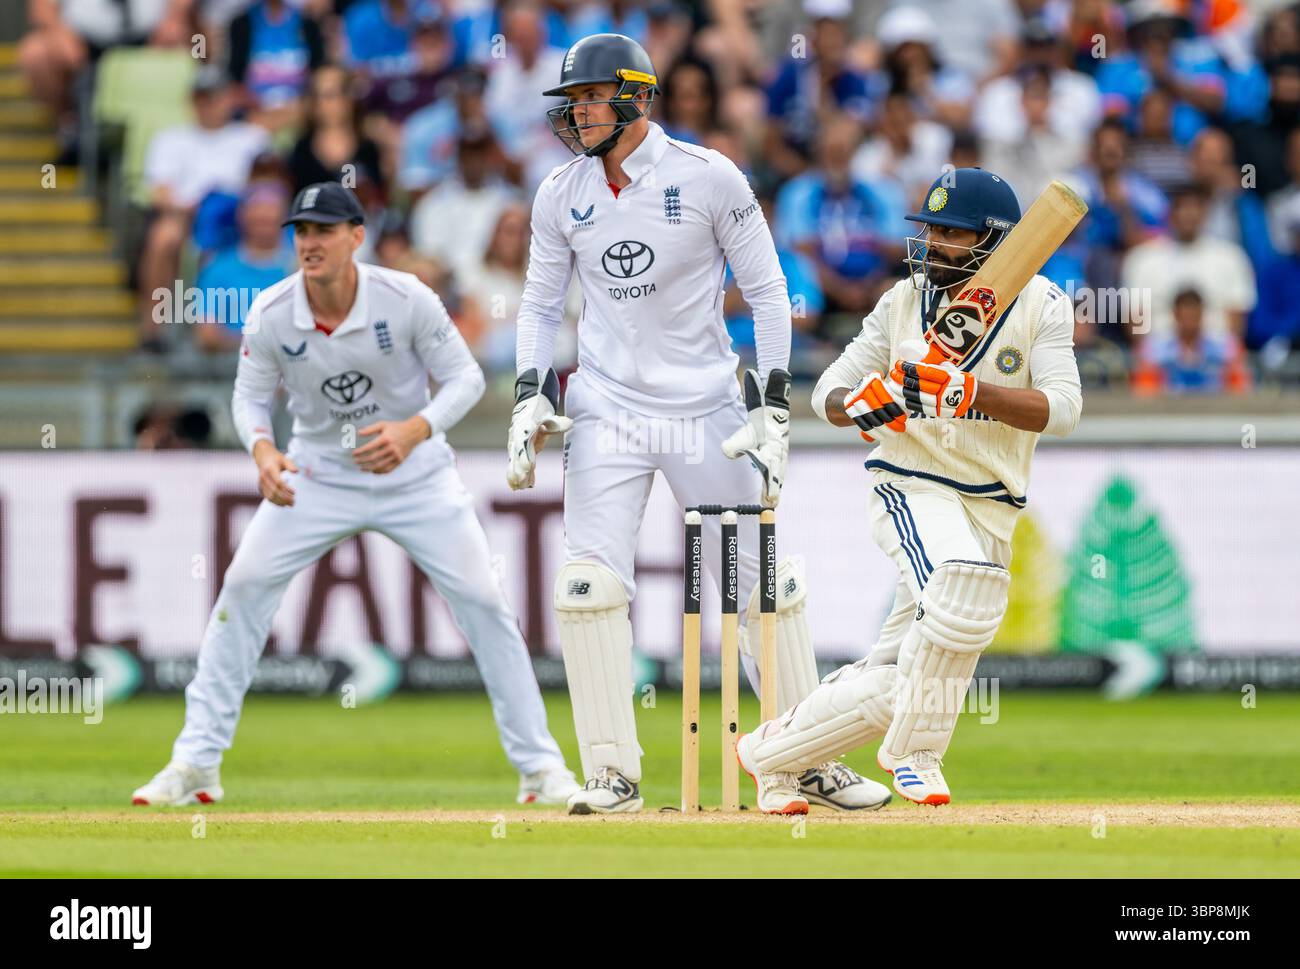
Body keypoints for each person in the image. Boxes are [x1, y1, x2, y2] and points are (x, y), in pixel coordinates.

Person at [508, 33, 890, 815]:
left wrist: (774, 403)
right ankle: (612, 775)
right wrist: (527, 393)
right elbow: (541, 303)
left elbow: (770, 290)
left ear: (636, 97)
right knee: (587, 587)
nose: (576, 113)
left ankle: (807, 759)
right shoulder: (560, 192)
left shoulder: (710, 177)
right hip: (606, 408)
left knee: (765, 589)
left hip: (706, 407)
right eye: (570, 101)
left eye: (589, 98)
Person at [131, 182, 580, 809]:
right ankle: (195, 763)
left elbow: (466, 378)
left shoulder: (405, 299)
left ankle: (540, 769)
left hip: (415, 475)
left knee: (484, 601)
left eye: (323, 230)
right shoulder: (271, 313)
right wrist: (262, 450)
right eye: (302, 232)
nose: (310, 243)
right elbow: (249, 397)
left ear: (356, 236)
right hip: (318, 475)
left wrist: (414, 429)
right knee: (242, 588)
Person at [736, 168, 1082, 811]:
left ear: (995, 242)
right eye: (928, 230)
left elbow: (1062, 410)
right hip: (910, 482)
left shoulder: (1042, 304)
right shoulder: (902, 303)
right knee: (963, 581)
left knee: (897, 673)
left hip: (993, 502)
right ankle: (914, 752)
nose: (930, 244)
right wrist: (866, 404)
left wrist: (972, 392)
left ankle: (772, 757)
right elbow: (827, 394)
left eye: (949, 233)